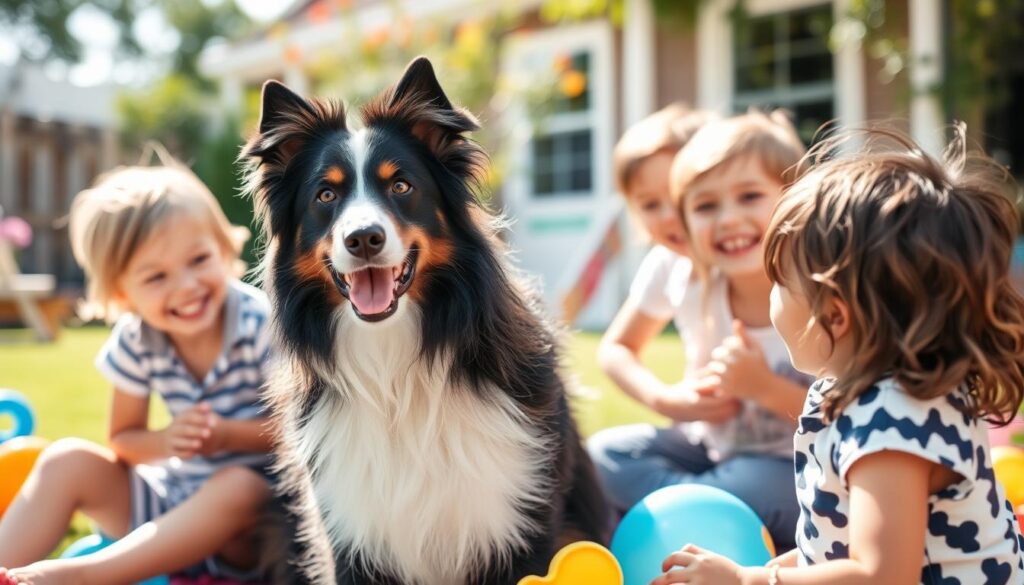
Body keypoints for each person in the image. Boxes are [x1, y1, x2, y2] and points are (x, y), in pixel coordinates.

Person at [650, 125, 1024, 584]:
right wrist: (770, 568)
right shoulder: (853, 392)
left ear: (835, 314)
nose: (772, 297)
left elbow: (882, 576)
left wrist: (750, 581)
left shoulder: (892, 422)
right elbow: (835, 538)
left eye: (780, 284)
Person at [0, 159, 276, 585]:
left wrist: (225, 435)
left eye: (199, 259)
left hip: (252, 527)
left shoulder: (260, 322)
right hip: (168, 504)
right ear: (121, 292)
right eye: (156, 277)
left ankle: (85, 576)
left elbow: (297, 431)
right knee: (66, 459)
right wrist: (165, 441)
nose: (186, 286)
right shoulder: (138, 338)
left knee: (239, 485)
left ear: (223, 248)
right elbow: (123, 440)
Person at [589, 111, 812, 551]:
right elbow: (617, 348)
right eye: (705, 204)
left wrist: (763, 388)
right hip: (709, 448)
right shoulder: (685, 270)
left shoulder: (813, 287)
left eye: (747, 195)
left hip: (796, 463)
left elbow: (854, 415)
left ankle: (681, 518)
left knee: (754, 484)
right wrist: (669, 400)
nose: (725, 219)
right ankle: (703, 514)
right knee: (604, 457)